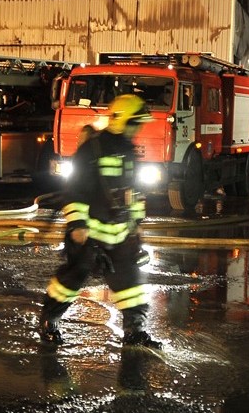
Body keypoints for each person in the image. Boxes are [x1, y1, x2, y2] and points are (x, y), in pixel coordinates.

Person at [39, 94, 161, 348]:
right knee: (73, 278)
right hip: (90, 232)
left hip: (120, 232)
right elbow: (75, 190)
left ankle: (135, 332)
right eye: (135, 123)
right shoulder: (92, 149)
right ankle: (49, 322)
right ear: (122, 121)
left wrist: (136, 223)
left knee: (130, 283)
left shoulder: (128, 151)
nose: (137, 129)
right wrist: (77, 225)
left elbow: (134, 191)